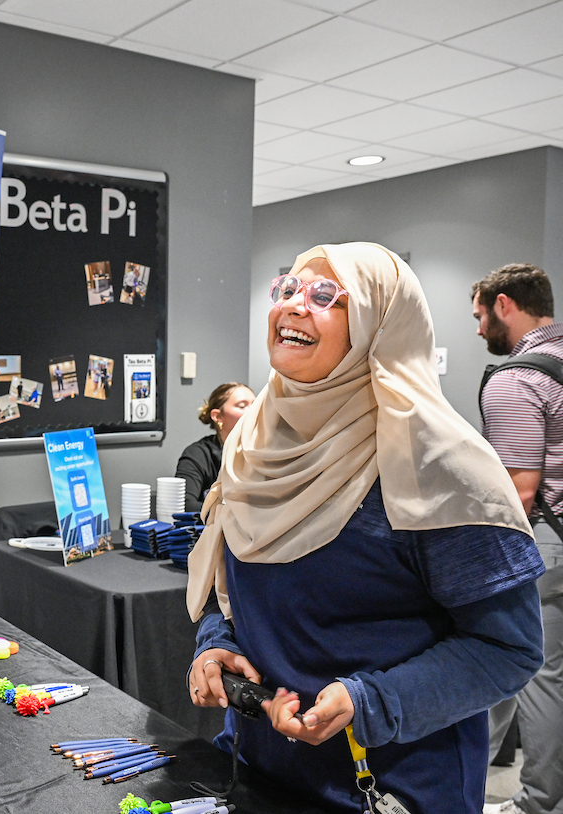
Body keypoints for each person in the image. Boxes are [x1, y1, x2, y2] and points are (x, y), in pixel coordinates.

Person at [185, 243, 545, 813]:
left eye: (326, 296)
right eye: (289, 288)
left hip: (391, 784)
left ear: (380, 325)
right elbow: (224, 588)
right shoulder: (252, 443)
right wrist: (216, 649)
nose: (296, 305)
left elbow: (507, 648)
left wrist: (371, 701)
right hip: (259, 766)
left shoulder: (437, 461)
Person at [472, 264, 563, 814]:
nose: (479, 329)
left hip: (543, 544)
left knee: (532, 673)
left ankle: (539, 804)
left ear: (505, 304)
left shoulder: (516, 379)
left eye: (481, 315)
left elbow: (517, 494)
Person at [175, 383, 254, 512]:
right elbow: (185, 503)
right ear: (217, 416)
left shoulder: (265, 451)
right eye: (242, 406)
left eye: (255, 404)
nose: (253, 411)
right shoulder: (198, 454)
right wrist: (234, 515)